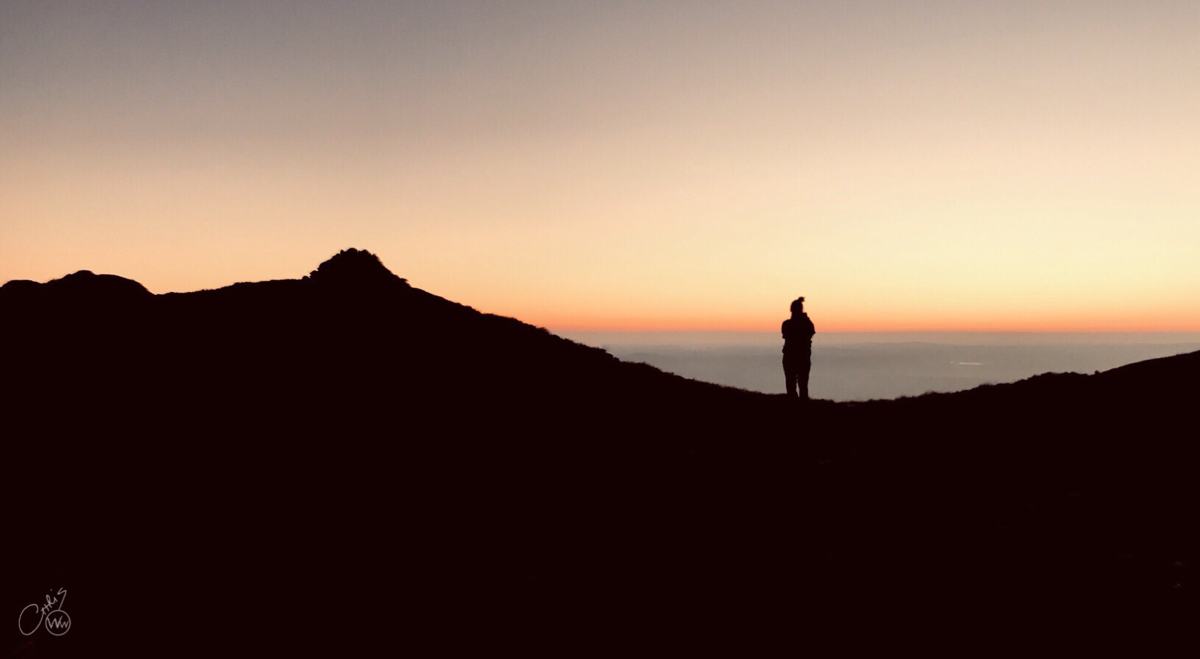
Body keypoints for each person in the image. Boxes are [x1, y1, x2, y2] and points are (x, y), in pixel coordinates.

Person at [781, 296, 815, 400]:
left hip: (790, 357)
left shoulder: (786, 324)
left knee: (791, 384)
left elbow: (786, 334)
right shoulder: (807, 323)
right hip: (803, 357)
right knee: (803, 385)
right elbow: (811, 332)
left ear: (791, 309)